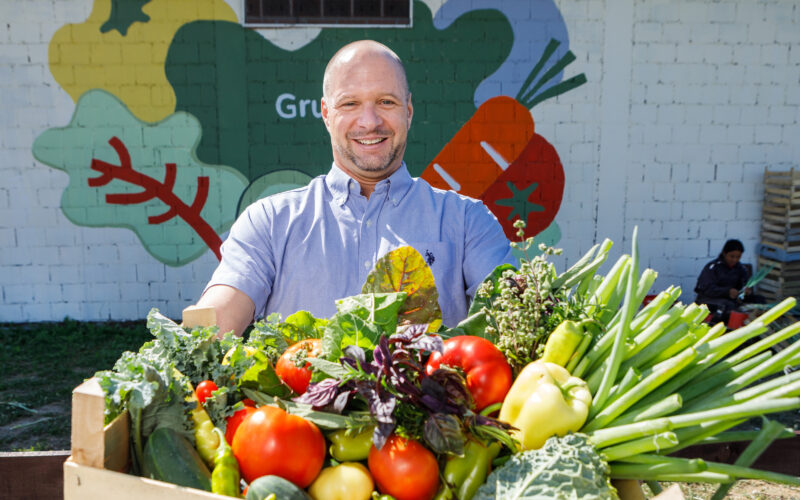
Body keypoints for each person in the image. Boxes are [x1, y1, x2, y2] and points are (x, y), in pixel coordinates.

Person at [195, 40, 514, 336]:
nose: (369, 121)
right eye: (350, 104)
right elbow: (214, 321)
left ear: (409, 111)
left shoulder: (468, 221)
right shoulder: (269, 222)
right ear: (326, 113)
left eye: (386, 101)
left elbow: (518, 318)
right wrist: (186, 344)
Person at [694, 239, 764, 324]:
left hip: (732, 300)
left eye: (738, 257)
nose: (734, 260)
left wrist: (745, 291)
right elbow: (704, 288)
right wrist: (727, 291)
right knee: (728, 305)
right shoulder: (713, 267)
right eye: (732, 256)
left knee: (760, 300)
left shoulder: (741, 269)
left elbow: (743, 286)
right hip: (710, 299)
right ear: (724, 253)